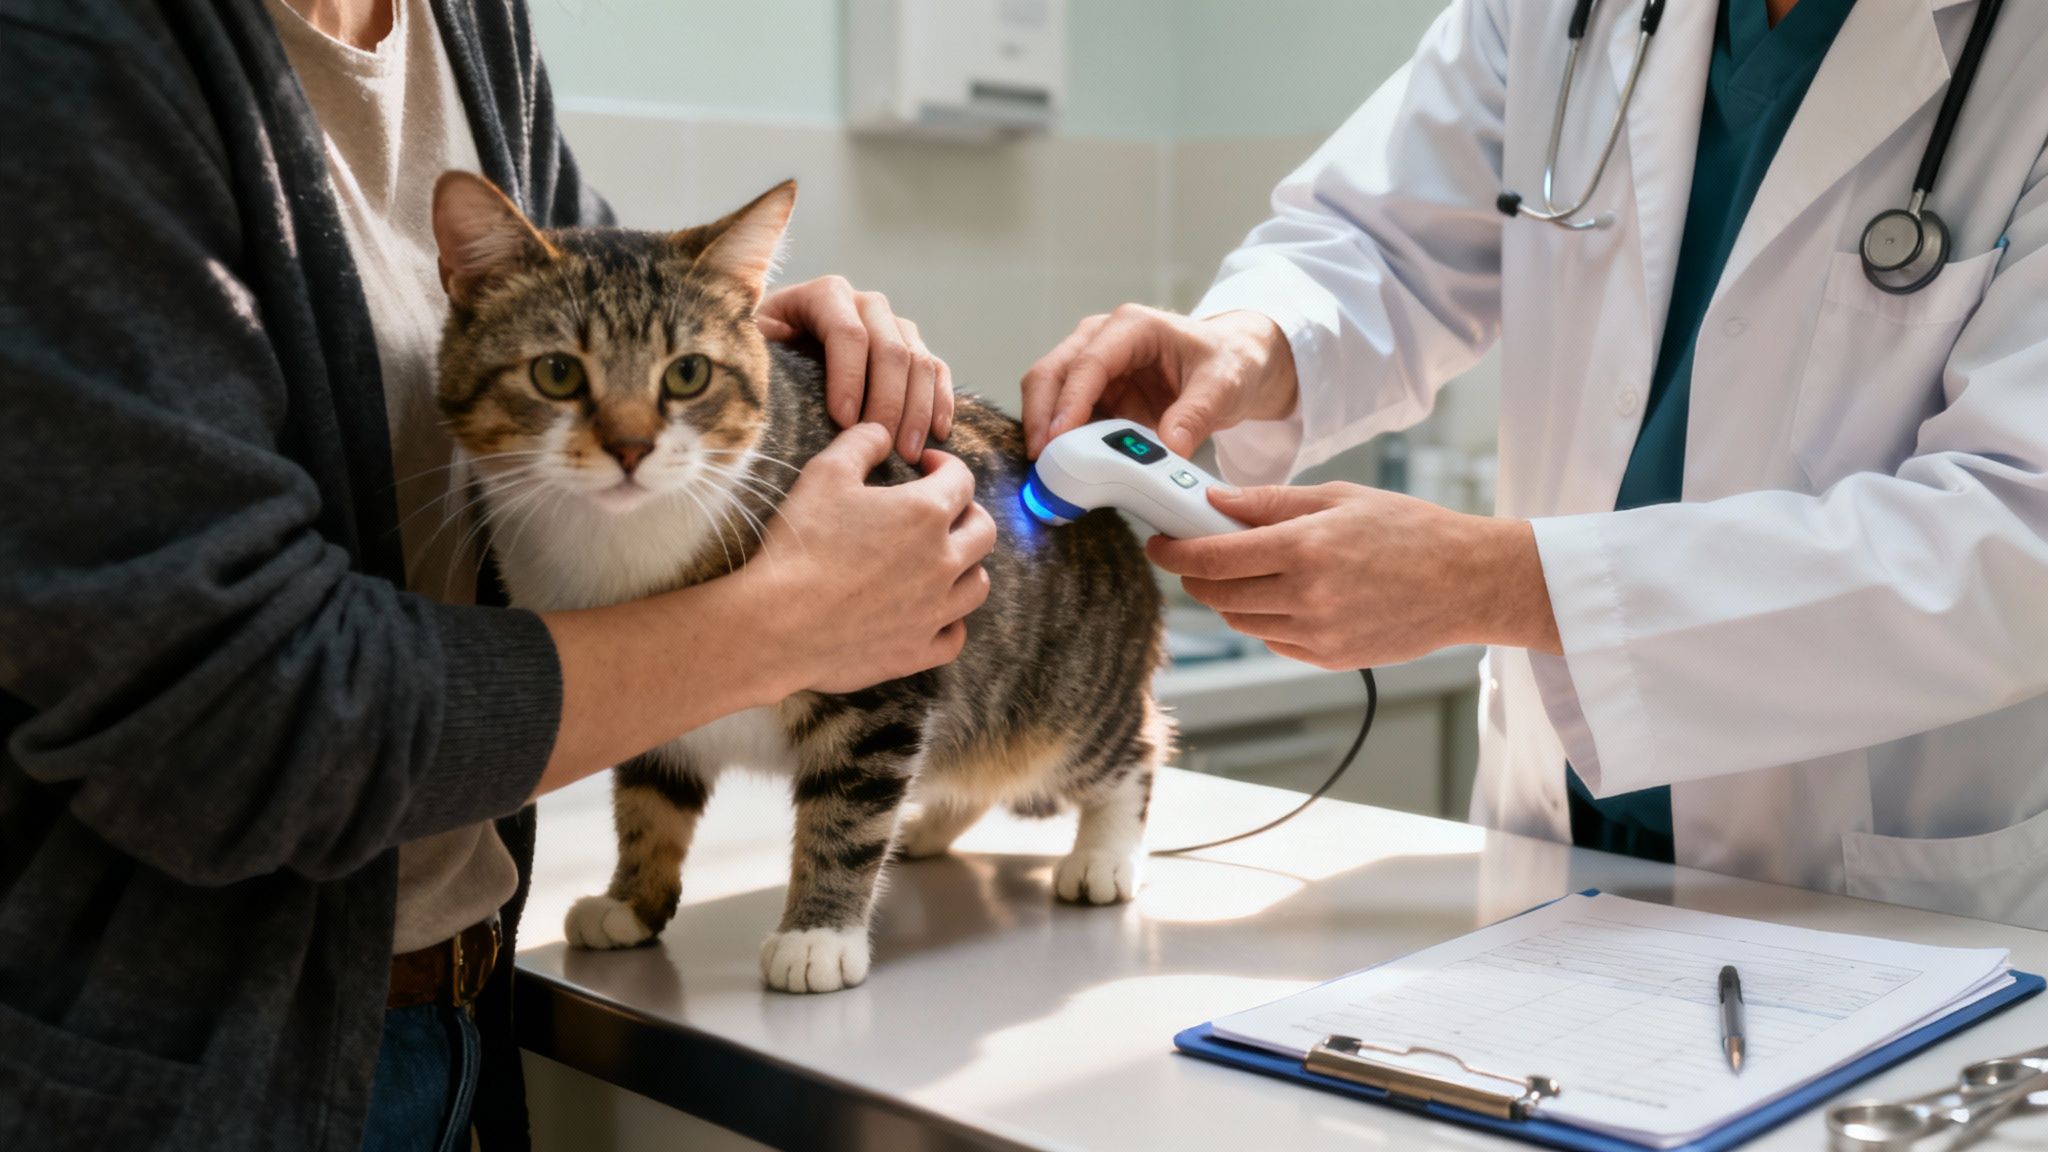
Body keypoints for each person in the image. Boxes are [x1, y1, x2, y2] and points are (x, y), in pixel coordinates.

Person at [0, 0, 993, 1149]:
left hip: (470, 1000)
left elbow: (585, 298)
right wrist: (780, 628)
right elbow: (237, 721)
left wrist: (742, 336)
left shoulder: (463, 20)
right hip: (185, 1070)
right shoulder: (58, 50)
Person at [1024, 0, 2048, 929]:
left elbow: (2013, 532)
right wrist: (1255, 341)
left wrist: (1504, 584)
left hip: (1872, 885)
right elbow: (1379, 240)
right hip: (1555, 841)